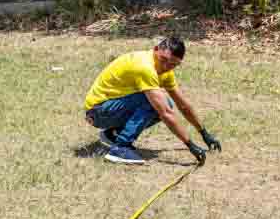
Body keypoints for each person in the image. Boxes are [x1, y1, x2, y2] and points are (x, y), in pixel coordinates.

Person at [83, 36, 222, 165]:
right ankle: (120, 148)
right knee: (154, 102)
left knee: (164, 102)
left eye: (173, 64)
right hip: (97, 112)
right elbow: (165, 113)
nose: (166, 66)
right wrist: (190, 145)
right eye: (164, 60)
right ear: (155, 49)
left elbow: (183, 105)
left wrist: (204, 133)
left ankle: (113, 134)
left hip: (108, 109)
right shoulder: (145, 67)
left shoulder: (165, 71)